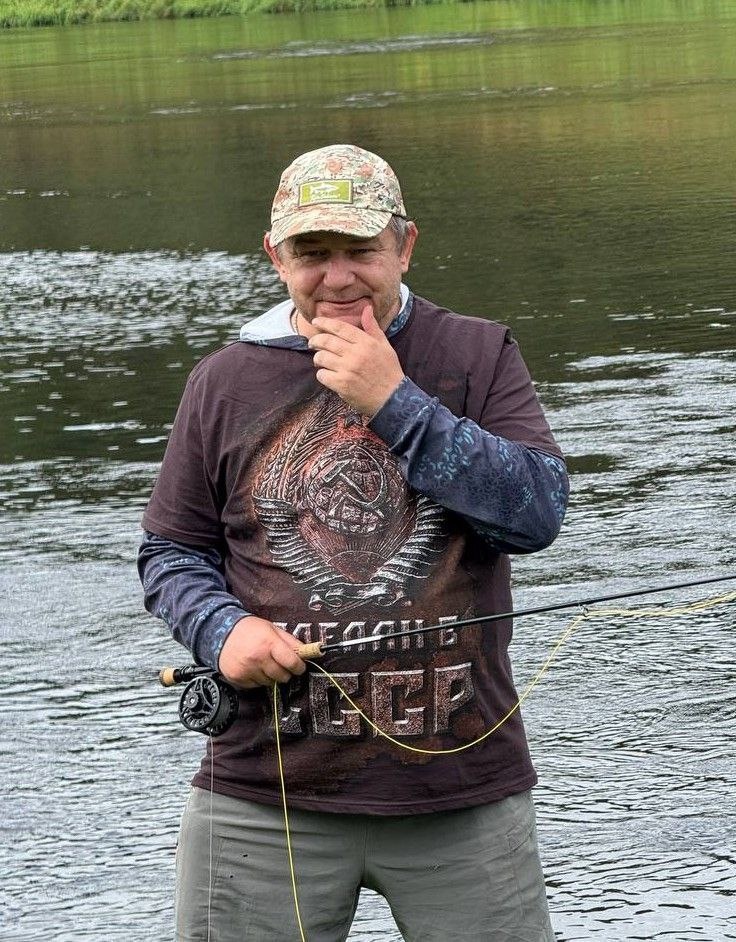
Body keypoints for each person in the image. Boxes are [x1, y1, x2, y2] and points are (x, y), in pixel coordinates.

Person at [138, 143, 569, 942]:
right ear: (276, 258)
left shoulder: (476, 354)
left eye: (360, 251)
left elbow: (536, 513)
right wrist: (221, 631)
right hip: (263, 794)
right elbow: (171, 552)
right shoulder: (222, 381)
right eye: (312, 253)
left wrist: (394, 400)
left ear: (405, 245)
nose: (337, 278)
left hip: (462, 788)